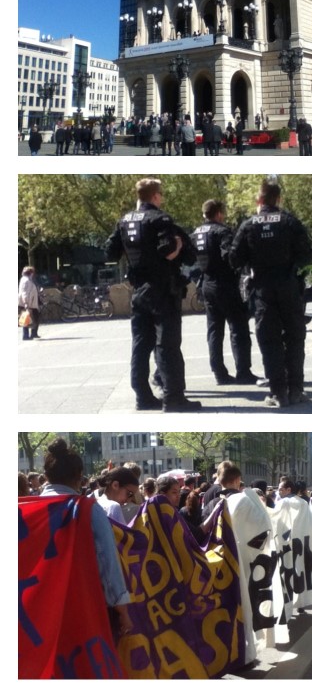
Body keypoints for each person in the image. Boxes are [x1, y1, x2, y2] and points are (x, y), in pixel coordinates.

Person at [106, 178, 201, 412]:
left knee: (140, 345)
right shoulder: (160, 219)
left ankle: (142, 396)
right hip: (162, 289)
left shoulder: (124, 221)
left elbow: (110, 252)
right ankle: (174, 397)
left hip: (138, 292)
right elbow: (168, 250)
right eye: (161, 194)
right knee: (167, 344)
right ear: (155, 196)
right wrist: (178, 246)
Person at [230, 180, 312, 407]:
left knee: (269, 340)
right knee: (295, 338)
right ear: (278, 200)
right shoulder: (289, 222)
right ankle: (296, 389)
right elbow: (307, 255)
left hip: (262, 289)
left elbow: (234, 258)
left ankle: (278, 393)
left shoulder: (248, 225)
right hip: (288, 285)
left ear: (259, 200)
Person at [37, 439, 133, 635]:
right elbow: (107, 562)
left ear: (46, 476)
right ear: (80, 476)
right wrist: (122, 609)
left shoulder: (25, 512)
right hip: (84, 610)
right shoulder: (88, 510)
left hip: (40, 613)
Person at [192, 199, 257, 385]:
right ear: (219, 213)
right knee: (238, 328)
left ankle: (219, 373)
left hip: (207, 284)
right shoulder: (222, 231)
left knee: (214, 330)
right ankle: (243, 371)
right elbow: (230, 256)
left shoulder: (196, 233)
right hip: (225, 285)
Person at [18, 266, 41, 341]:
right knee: (28, 318)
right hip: (29, 303)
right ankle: (27, 335)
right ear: (30, 273)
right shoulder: (26, 281)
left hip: (31, 303)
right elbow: (24, 293)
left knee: (28, 318)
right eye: (32, 273)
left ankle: (31, 334)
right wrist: (26, 304)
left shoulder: (26, 279)